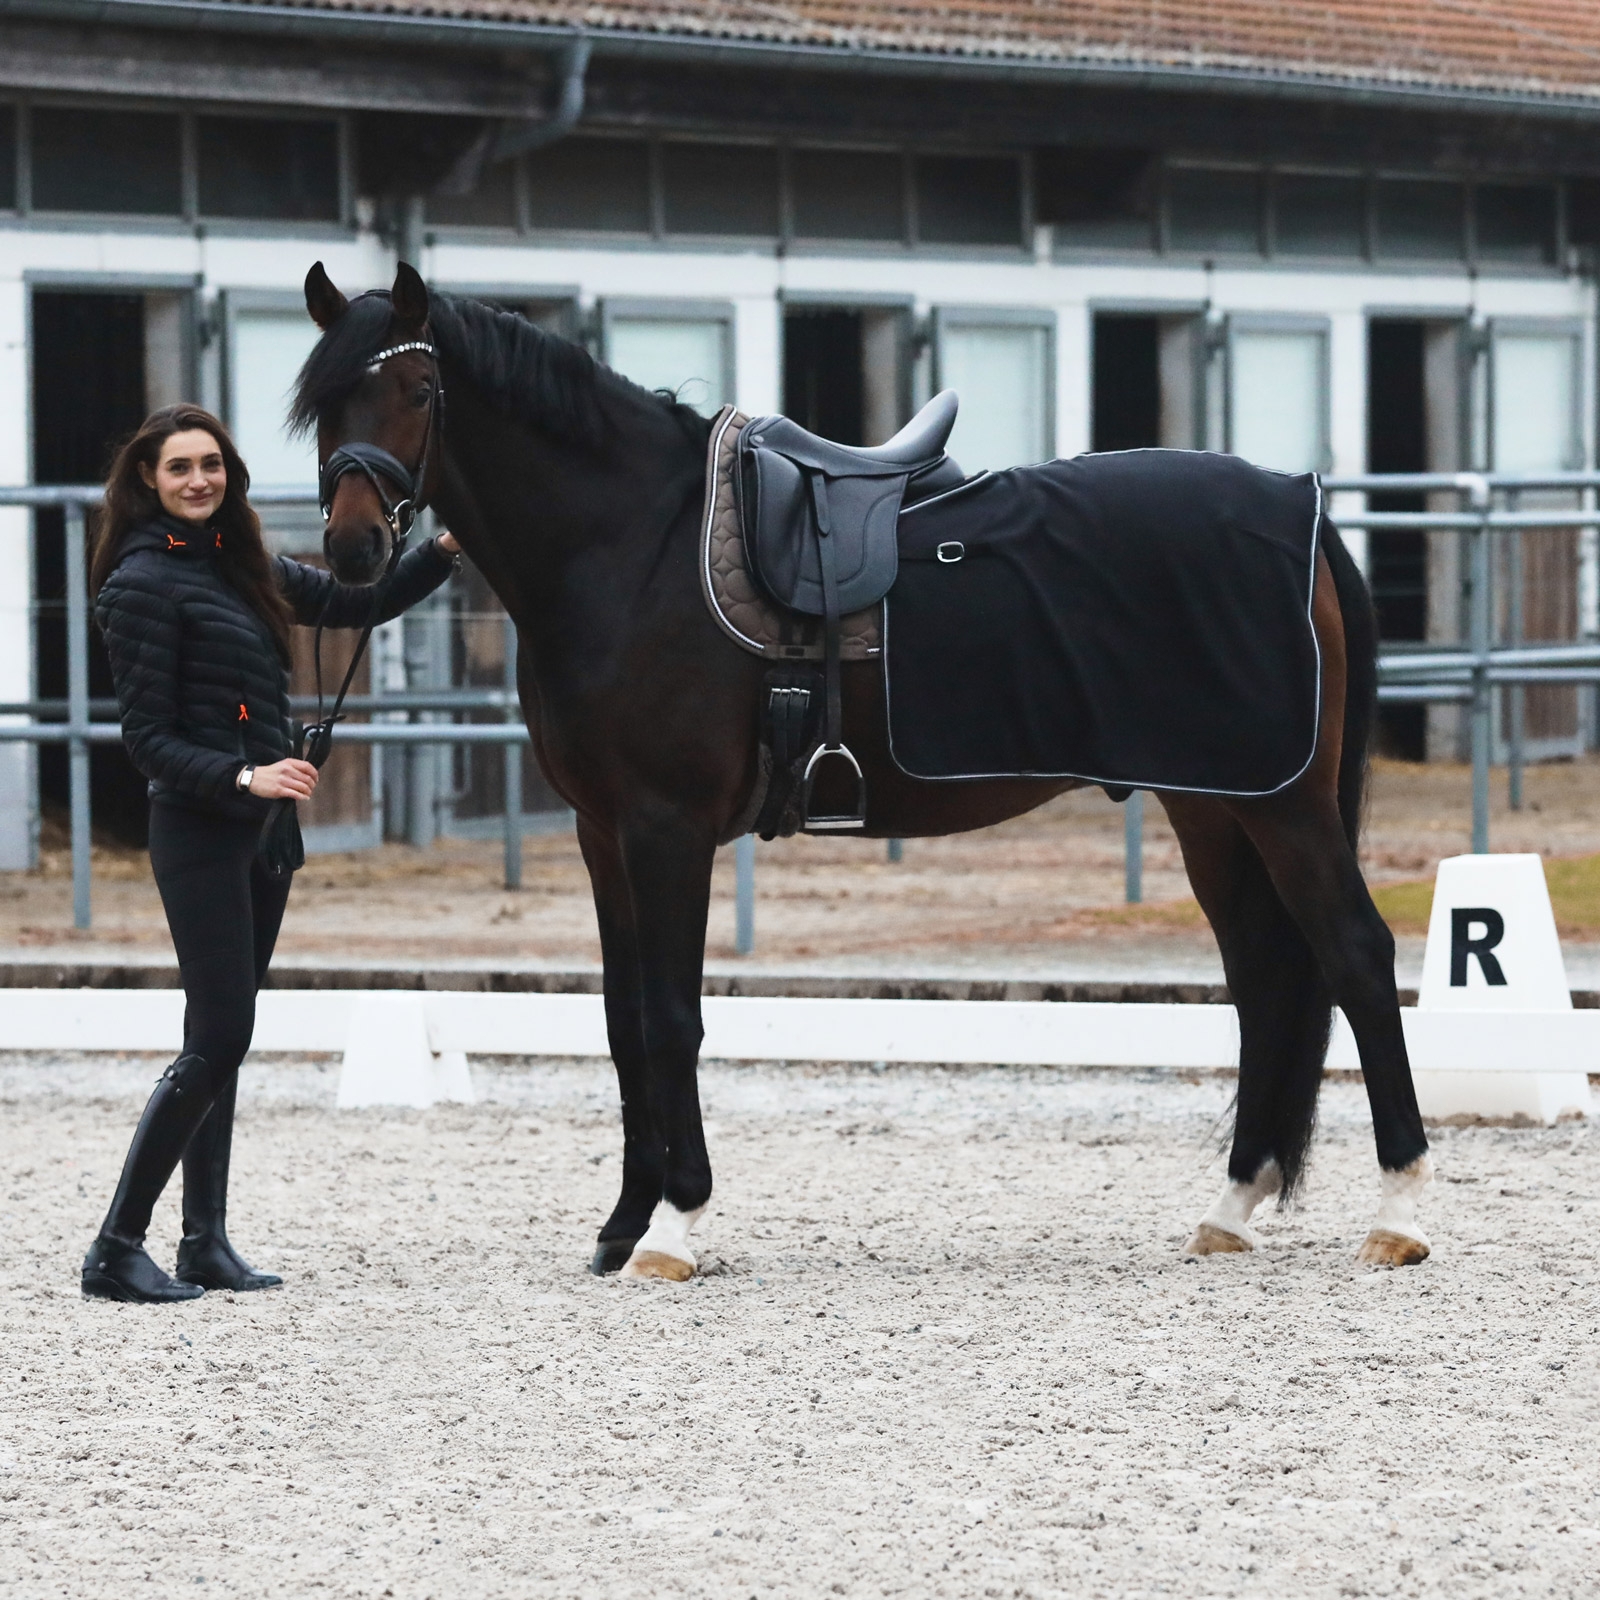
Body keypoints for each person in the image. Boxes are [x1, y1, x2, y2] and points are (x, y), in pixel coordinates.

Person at [81, 404, 458, 1303]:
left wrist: (445, 551)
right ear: (148, 480)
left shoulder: (244, 564)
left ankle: (203, 1241)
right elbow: (146, 740)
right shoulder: (138, 584)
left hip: (263, 836)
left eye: (211, 464)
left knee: (226, 1037)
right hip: (202, 830)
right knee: (220, 1032)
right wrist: (246, 780)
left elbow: (359, 603)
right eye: (180, 468)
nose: (199, 480)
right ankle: (114, 1248)